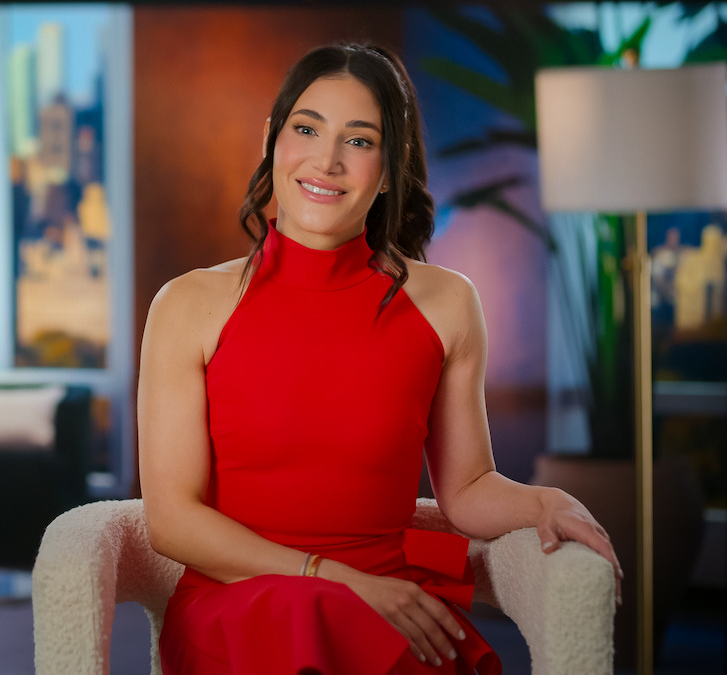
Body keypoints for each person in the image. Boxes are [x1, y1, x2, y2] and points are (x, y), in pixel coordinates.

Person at [137, 42, 622, 674]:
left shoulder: (447, 303)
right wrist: (330, 578)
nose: (327, 160)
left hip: (389, 599)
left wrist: (544, 502)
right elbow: (172, 520)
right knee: (303, 624)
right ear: (272, 139)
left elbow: (466, 489)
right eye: (306, 129)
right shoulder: (187, 304)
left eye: (360, 141)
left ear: (392, 169)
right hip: (237, 603)